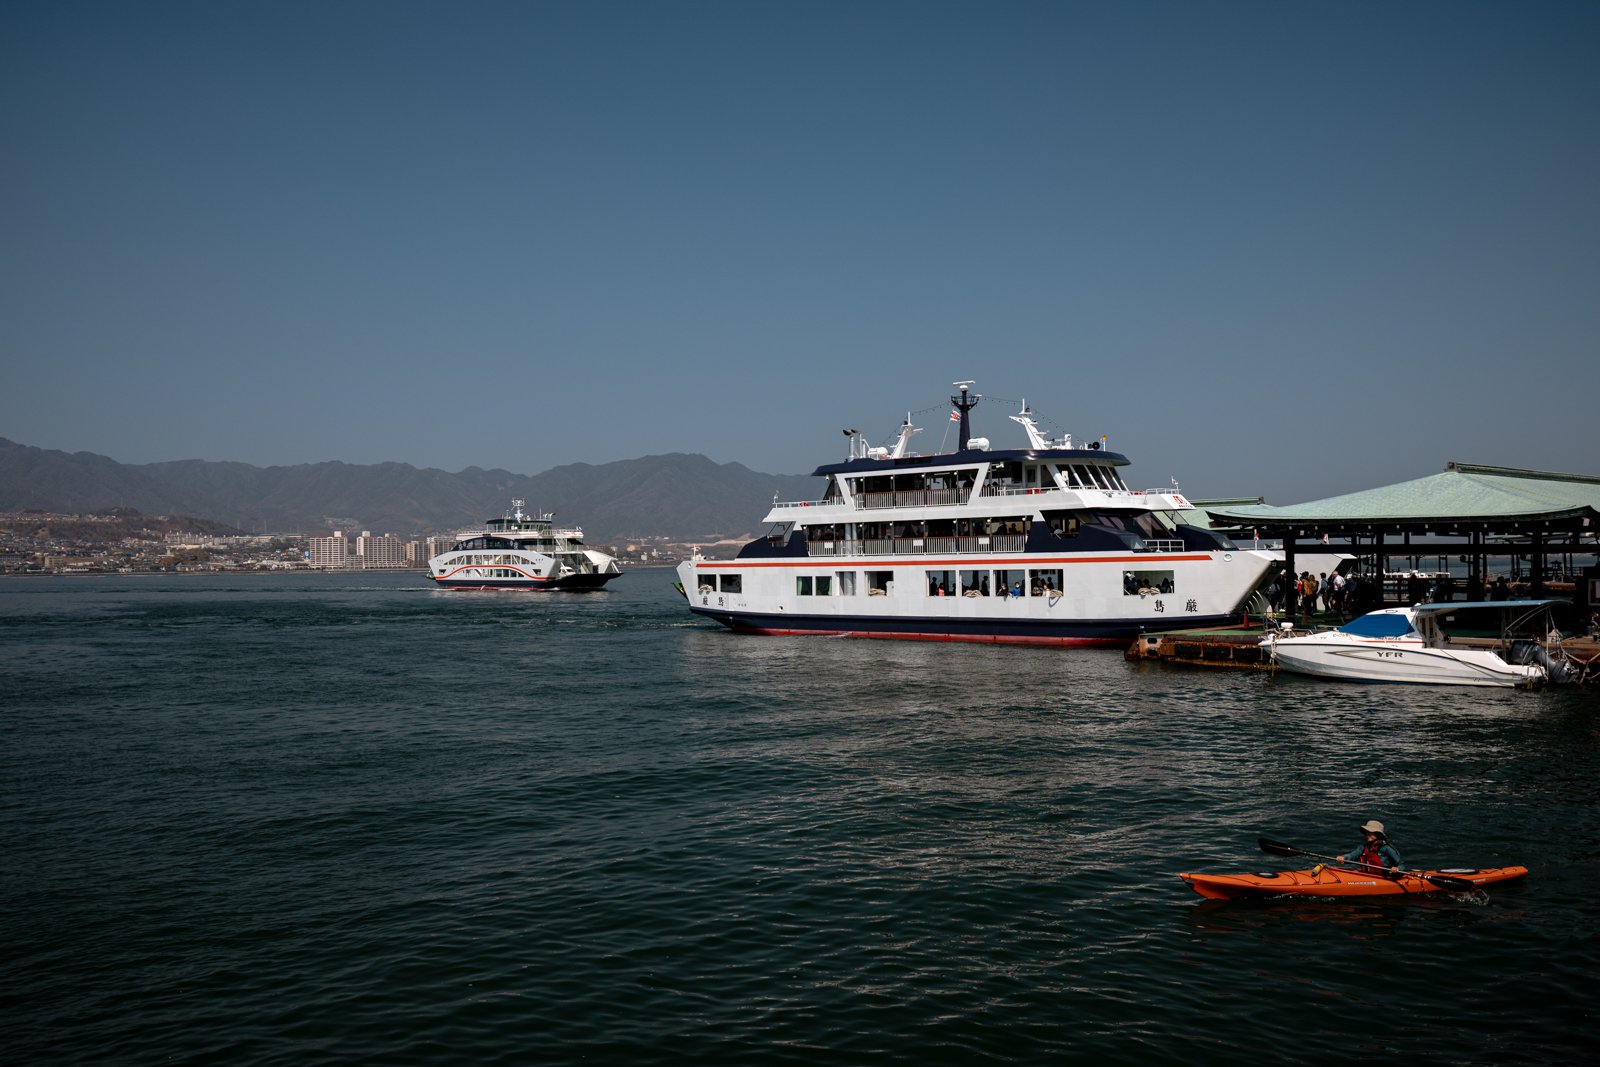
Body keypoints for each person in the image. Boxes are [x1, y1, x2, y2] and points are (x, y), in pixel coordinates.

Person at [1335, 819, 1403, 876]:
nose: (1367, 834)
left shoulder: (1387, 848)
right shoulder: (1364, 847)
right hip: (1368, 876)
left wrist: (1397, 869)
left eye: (1370, 832)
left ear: (1378, 834)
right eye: (1367, 832)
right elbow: (1353, 855)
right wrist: (1344, 858)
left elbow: (1401, 864)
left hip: (1384, 877)